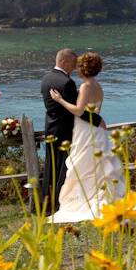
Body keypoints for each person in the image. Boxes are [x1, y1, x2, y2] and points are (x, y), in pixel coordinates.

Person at [47, 51, 126, 223]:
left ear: (83, 69)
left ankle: (86, 201)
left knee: (83, 166)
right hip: (96, 131)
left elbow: (78, 111)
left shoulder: (85, 87)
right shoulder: (98, 86)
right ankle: (99, 197)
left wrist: (60, 99)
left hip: (85, 131)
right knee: (96, 167)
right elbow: (95, 111)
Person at [38, 49, 104, 215]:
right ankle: (62, 203)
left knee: (53, 167)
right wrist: (98, 121)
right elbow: (78, 111)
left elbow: (61, 109)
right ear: (64, 62)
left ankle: (48, 205)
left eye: (78, 66)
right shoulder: (68, 83)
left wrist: (59, 101)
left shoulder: (46, 79)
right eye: (74, 64)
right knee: (68, 169)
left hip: (51, 128)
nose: (75, 68)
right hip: (69, 130)